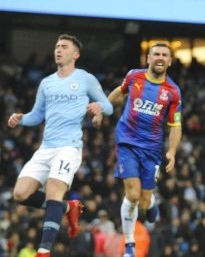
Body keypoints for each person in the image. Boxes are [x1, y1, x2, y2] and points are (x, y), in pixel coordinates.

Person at [7, 34, 113, 257]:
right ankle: (67, 208)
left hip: (68, 148)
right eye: (57, 46)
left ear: (75, 54)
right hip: (46, 148)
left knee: (53, 193)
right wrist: (21, 118)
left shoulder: (84, 78)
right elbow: (37, 115)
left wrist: (98, 109)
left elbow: (108, 106)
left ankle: (43, 251)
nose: (58, 50)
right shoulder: (47, 83)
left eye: (64, 47)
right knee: (20, 194)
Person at [108, 42, 182, 257]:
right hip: (127, 143)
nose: (160, 57)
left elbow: (175, 125)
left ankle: (150, 201)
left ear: (169, 61)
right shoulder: (134, 77)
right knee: (131, 194)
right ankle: (129, 245)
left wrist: (172, 151)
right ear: (148, 58)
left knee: (143, 200)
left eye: (164, 55)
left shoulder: (173, 91)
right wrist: (102, 108)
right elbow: (120, 92)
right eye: (156, 54)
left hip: (151, 149)